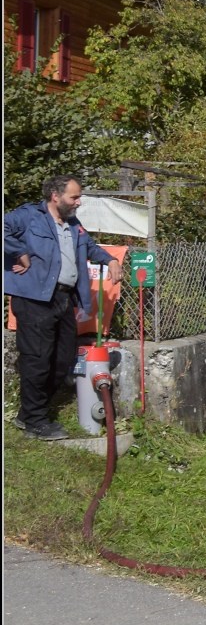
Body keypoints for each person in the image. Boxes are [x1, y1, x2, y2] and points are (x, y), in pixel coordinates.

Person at [5, 175, 121, 440]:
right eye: (74, 197)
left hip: (63, 300)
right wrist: (19, 252)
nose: (78, 202)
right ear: (55, 196)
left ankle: (28, 413)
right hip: (34, 299)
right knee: (37, 360)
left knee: (64, 358)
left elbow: (90, 247)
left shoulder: (72, 223)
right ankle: (35, 421)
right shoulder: (28, 216)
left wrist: (111, 260)